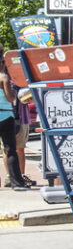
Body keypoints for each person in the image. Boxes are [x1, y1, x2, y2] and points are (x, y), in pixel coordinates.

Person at [0, 46, 27, 191]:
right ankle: (17, 182)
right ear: (2, 63)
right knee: (10, 149)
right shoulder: (3, 77)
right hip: (5, 115)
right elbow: (10, 97)